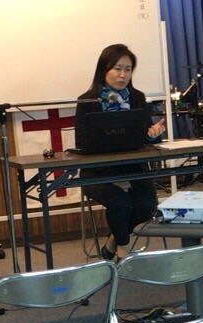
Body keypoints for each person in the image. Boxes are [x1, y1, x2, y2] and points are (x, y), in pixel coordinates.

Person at [75, 44, 165, 261]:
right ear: (104, 69)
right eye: (117, 68)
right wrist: (113, 178)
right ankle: (124, 254)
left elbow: (147, 137)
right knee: (120, 203)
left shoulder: (137, 98)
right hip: (98, 173)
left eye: (128, 69)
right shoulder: (87, 101)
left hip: (133, 170)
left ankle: (112, 243)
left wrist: (153, 134)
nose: (123, 75)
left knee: (146, 205)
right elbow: (82, 144)